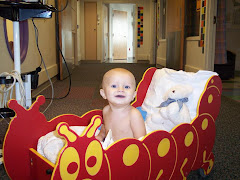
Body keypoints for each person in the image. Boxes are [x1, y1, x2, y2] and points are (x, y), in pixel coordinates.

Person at [96, 68, 146, 143]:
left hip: (128, 150)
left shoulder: (133, 114)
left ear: (133, 95)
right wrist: (100, 136)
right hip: (109, 148)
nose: (120, 89)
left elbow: (141, 140)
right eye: (114, 86)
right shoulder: (106, 110)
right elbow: (105, 127)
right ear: (103, 94)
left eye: (126, 87)